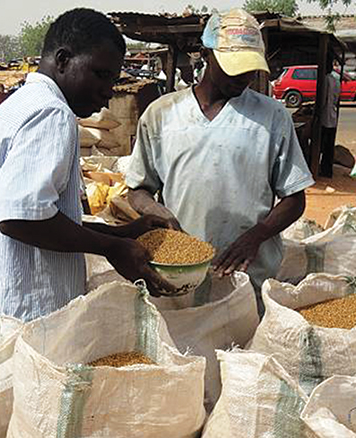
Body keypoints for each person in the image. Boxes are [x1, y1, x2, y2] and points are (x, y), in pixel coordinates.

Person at [0, 9, 174, 323]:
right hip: (26, 317)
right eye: (101, 74)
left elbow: (42, 217)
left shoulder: (17, 105)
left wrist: (122, 233)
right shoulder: (52, 114)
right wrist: (112, 249)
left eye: (113, 79)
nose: (108, 90)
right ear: (63, 60)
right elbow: (20, 218)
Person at [126, 8, 314, 310]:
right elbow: (137, 189)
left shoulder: (272, 117)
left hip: (246, 275)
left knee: (243, 353)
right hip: (178, 276)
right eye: (233, 66)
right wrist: (156, 212)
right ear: (205, 55)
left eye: (250, 68)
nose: (244, 77)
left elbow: (295, 198)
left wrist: (257, 235)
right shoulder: (161, 115)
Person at [320, 55, 341, 178]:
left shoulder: (326, 80)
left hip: (325, 117)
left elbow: (322, 100)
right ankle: (327, 169)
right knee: (329, 146)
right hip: (332, 115)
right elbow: (336, 98)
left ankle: (323, 169)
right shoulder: (335, 79)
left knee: (323, 144)